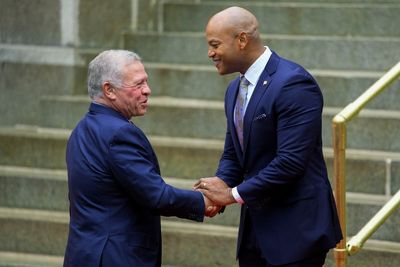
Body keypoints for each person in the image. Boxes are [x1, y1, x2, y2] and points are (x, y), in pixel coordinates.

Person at [195, 6, 343, 267]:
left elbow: (290, 163)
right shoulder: (234, 89)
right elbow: (234, 152)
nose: (210, 53)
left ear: (242, 40)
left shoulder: (294, 83)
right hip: (255, 231)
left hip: (296, 232)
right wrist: (216, 187)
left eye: (215, 44)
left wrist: (231, 194)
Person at [63, 50, 219, 267]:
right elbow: (156, 196)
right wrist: (204, 201)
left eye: (146, 82)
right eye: (138, 84)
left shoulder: (82, 128)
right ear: (109, 90)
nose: (147, 90)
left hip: (85, 254)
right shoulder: (119, 133)